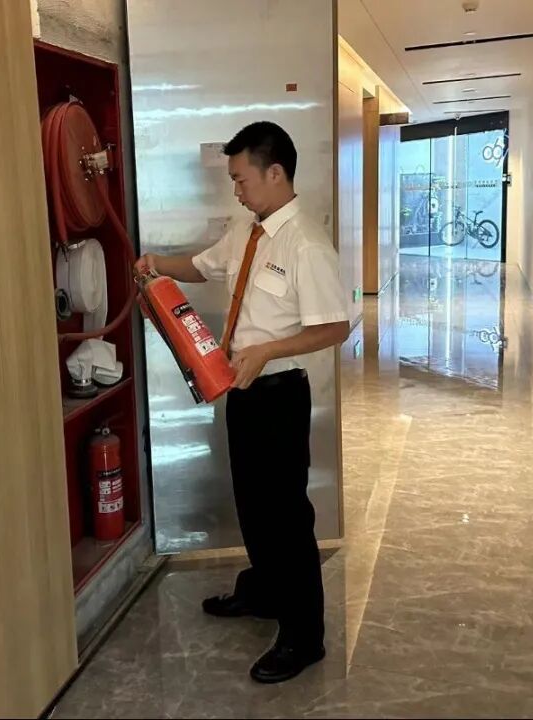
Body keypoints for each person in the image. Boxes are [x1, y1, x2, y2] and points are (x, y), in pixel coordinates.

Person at [134, 121, 349, 683]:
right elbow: (202, 267)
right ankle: (264, 592)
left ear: (274, 173)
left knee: (286, 518)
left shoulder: (305, 243)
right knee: (252, 505)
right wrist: (157, 263)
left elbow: (334, 327)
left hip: (280, 394)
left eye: (241, 179)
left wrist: (269, 349)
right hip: (242, 391)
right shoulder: (246, 231)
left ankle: (304, 637)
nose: (236, 190)